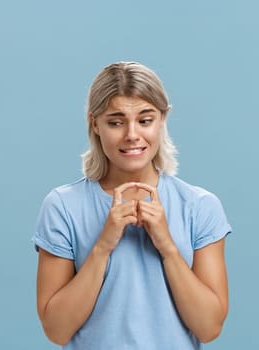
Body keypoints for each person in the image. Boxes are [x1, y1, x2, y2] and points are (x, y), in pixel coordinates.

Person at [33, 61, 232, 349]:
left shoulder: (200, 207)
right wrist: (103, 246)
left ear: (162, 120)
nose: (132, 135)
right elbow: (56, 330)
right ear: (95, 124)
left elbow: (209, 328)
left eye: (145, 120)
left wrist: (167, 246)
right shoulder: (62, 207)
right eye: (115, 122)